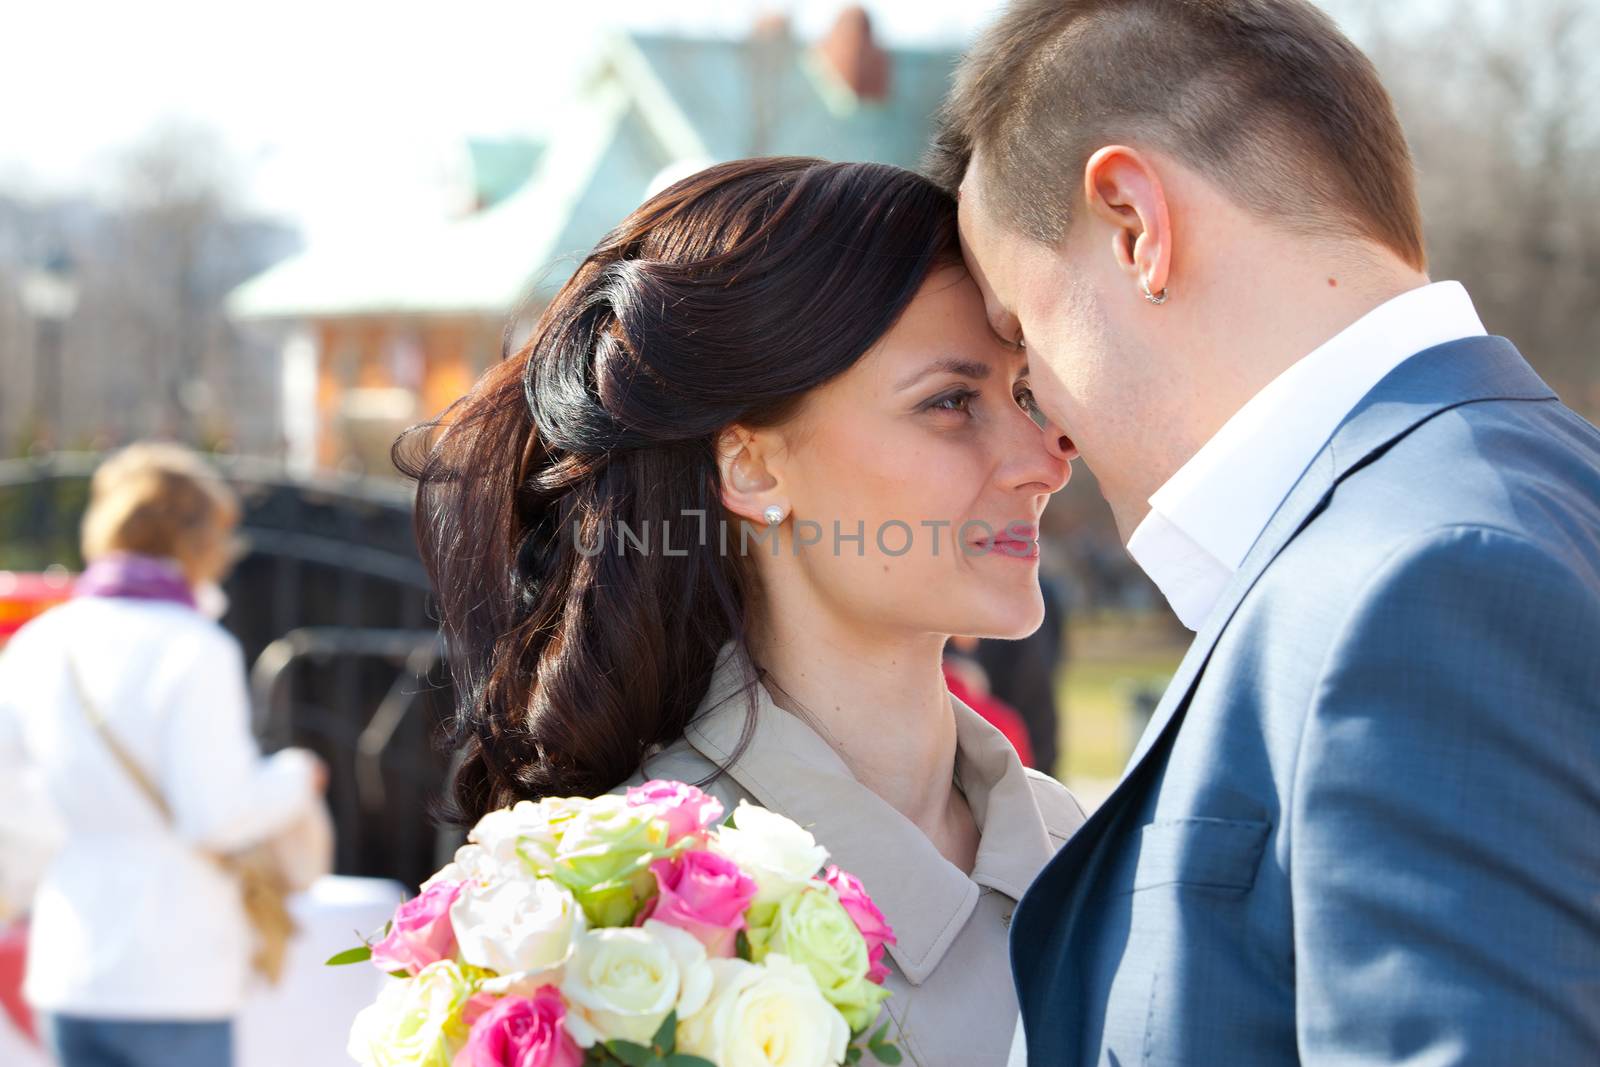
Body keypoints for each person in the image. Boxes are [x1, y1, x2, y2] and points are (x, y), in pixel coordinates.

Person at [932, 0, 1600, 1063]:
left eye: (1021, 336)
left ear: (1134, 223)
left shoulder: (1423, 581)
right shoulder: (1503, 509)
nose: (1040, 418)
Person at [400, 157, 1087, 1065]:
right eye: (952, 402)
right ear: (753, 467)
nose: (1047, 456)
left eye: (1028, 393)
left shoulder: (1088, 847)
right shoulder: (606, 929)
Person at [0, 443, 326, 1067]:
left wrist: (81, 835)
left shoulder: (42, 642)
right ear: (199, 543)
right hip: (172, 970)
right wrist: (292, 778)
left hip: (69, 961)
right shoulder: (196, 649)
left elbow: (9, 796)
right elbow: (216, 816)